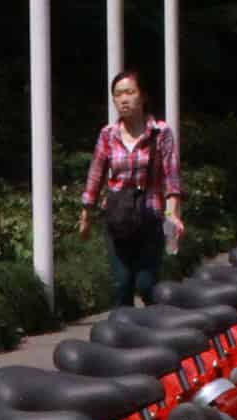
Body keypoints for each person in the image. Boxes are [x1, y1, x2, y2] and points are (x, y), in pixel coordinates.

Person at [77, 71, 183, 307]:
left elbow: (171, 176)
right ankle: (121, 338)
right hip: (118, 219)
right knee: (122, 284)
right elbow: (96, 174)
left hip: (150, 218)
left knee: (147, 284)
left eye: (130, 92)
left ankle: (154, 334)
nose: (124, 99)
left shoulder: (160, 133)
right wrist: (86, 213)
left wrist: (172, 214)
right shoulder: (108, 135)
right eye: (118, 94)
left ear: (142, 96)